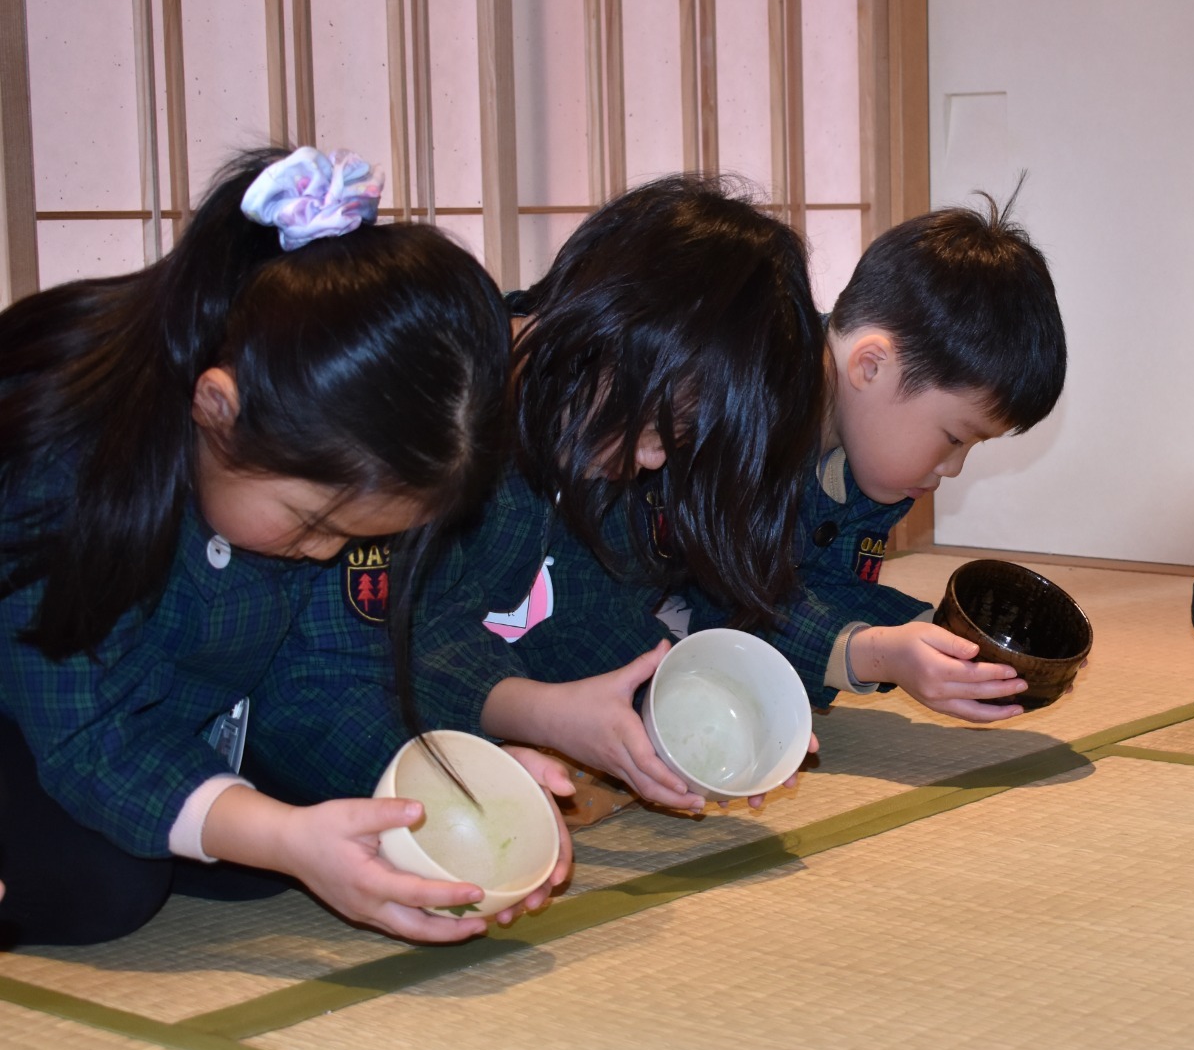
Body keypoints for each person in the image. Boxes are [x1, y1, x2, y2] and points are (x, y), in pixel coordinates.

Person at [0, 147, 571, 948]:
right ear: (216, 407)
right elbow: (88, 730)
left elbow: (323, 681)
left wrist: (445, 785)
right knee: (102, 887)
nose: (326, 552)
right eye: (312, 523)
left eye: (355, 537)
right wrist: (268, 827)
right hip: (38, 705)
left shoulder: (312, 443)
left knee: (276, 847)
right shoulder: (63, 449)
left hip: (151, 711)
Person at [251, 175, 827, 816]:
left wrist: (668, 712)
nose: (654, 461)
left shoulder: (599, 429)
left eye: (683, 446)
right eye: (670, 429)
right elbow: (378, 646)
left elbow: (589, 614)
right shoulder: (433, 415)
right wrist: (543, 717)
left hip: (420, 723)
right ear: (613, 325)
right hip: (293, 723)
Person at [677, 196, 1068, 723]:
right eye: (954, 437)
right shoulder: (751, 410)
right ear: (870, 365)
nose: (953, 468)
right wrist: (877, 656)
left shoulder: (872, 454)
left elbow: (828, 585)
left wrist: (941, 635)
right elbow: (725, 600)